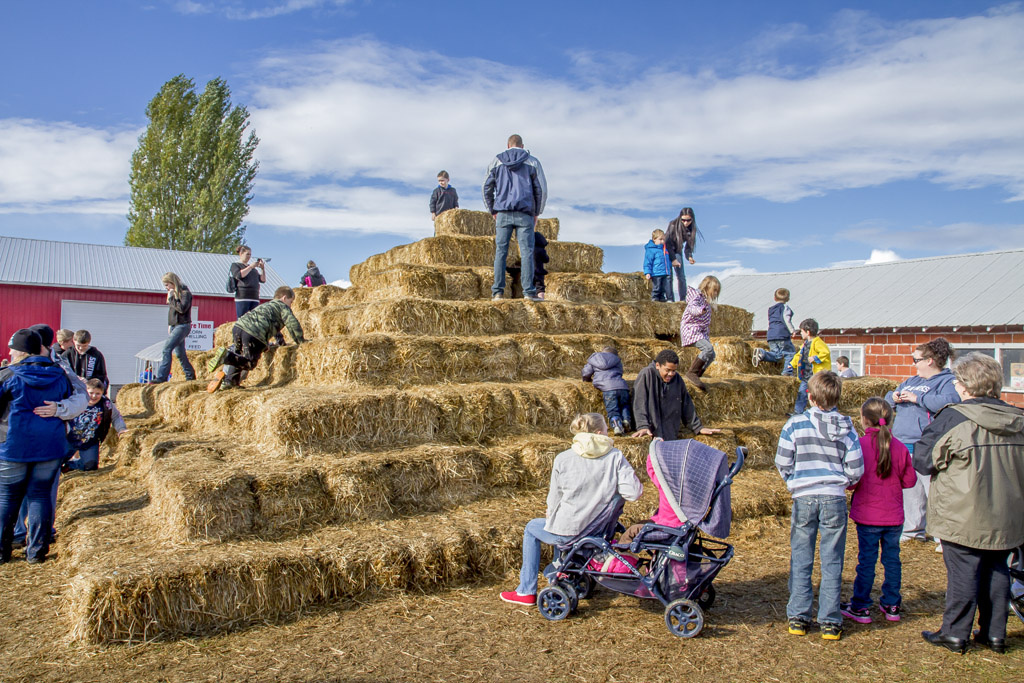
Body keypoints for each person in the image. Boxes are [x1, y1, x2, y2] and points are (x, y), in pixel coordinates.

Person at [914, 353, 1024, 655]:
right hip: (1008, 513)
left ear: (964, 386)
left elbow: (923, 459)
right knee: (998, 569)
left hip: (963, 513)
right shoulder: (1018, 420)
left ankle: (955, 633)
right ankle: (994, 633)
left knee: (963, 572)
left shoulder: (954, 418)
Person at [499, 413, 642, 605]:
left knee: (532, 528)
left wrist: (552, 518)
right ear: (600, 433)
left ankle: (526, 590)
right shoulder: (615, 456)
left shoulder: (563, 458)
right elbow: (633, 493)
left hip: (569, 533)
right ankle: (559, 570)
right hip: (598, 532)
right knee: (555, 524)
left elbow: (554, 500)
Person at [775, 371, 864, 641]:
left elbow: (782, 460)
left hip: (804, 496)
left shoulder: (795, 425)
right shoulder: (848, 428)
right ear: (837, 397)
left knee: (801, 556)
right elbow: (856, 468)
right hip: (834, 496)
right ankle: (830, 621)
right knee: (832, 558)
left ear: (810, 397)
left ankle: (798, 617)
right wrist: (842, 483)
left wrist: (794, 481)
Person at [10, 324, 88, 551]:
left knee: (40, 492)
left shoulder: (59, 366)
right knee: (24, 492)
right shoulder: (18, 367)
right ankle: (20, 534)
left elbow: (81, 396)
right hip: (25, 441)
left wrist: (60, 408)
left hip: (45, 440)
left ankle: (40, 534)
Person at [840, 397, 916, 625]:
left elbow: (851, 482)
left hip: (868, 517)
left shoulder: (859, 446)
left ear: (864, 420)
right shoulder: (900, 447)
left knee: (866, 561)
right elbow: (910, 481)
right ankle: (892, 604)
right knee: (892, 561)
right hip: (893, 516)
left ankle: (860, 605)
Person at [0, 329, 73, 564]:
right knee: (40, 496)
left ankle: (2, 551)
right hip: (49, 446)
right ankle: (36, 552)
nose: (10, 353)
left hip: (14, 446)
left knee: (7, 498)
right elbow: (68, 399)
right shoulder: (59, 375)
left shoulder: (9, 374)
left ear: (22, 352)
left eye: (13, 349)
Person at [884, 338, 959, 544]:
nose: (914, 364)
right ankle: (912, 531)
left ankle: (943, 537)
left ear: (930, 360)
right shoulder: (912, 381)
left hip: (927, 445)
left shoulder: (947, 381)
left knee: (934, 491)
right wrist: (894, 397)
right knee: (911, 489)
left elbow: (950, 402)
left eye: (916, 360)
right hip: (904, 444)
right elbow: (887, 398)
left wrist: (918, 399)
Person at [482, 134, 546, 302]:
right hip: (525, 213)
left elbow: (486, 187)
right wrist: (537, 212)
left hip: (503, 212)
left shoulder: (496, 161)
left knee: (501, 252)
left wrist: (492, 209)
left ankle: (497, 292)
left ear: (508, 145)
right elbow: (541, 189)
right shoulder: (532, 162)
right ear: (522, 146)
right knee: (527, 252)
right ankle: (528, 292)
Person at [206, 286, 306, 392]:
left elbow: (274, 328)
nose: (291, 305)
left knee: (239, 356)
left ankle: (230, 382)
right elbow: (292, 323)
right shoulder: (283, 307)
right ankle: (226, 357)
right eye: (291, 302)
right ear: (284, 298)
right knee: (249, 363)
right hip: (252, 333)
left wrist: (280, 343)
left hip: (238, 328)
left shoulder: (266, 306)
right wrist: (300, 341)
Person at [632, 349, 721, 441]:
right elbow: (639, 402)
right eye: (667, 370)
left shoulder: (677, 379)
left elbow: (686, 405)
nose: (671, 374)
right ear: (658, 365)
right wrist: (642, 426)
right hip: (651, 434)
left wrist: (698, 427)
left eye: (674, 370)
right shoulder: (646, 375)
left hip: (670, 435)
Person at [64, 379, 127, 471]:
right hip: (69, 438)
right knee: (54, 462)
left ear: (102, 393)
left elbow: (116, 417)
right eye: (91, 393)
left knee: (90, 466)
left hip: (90, 440)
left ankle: (71, 465)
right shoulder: (76, 400)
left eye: (98, 394)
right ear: (86, 391)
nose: (94, 396)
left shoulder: (106, 404)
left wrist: (121, 429)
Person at [152, 272, 197, 384]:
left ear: (173, 282)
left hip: (182, 326)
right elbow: (172, 312)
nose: (166, 288)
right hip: (174, 326)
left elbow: (182, 309)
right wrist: (170, 325)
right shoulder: (175, 294)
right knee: (180, 354)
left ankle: (162, 377)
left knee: (166, 349)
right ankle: (190, 375)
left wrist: (171, 298)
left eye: (167, 285)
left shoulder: (185, 293)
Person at [679, 275, 721, 391]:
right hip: (691, 330)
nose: (716, 293)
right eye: (714, 290)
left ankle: (697, 375)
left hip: (700, 332)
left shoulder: (706, 302)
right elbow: (692, 308)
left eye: (717, 291)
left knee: (712, 354)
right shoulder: (696, 297)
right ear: (707, 288)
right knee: (708, 349)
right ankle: (692, 372)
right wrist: (700, 310)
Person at [581, 346, 632, 436]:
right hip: (622, 387)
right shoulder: (617, 360)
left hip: (608, 388)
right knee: (625, 405)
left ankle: (617, 426)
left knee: (613, 410)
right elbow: (620, 372)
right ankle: (626, 421)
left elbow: (586, 372)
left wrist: (587, 380)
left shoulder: (595, 358)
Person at [788, 319, 830, 415]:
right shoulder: (805, 344)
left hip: (816, 376)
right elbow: (799, 355)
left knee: (819, 394)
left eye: (801, 331)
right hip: (806, 375)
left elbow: (825, 352)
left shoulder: (818, 342)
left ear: (808, 332)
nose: (800, 333)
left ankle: (825, 410)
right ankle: (798, 412)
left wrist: (815, 358)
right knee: (802, 393)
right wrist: (792, 364)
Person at [752, 288, 796, 372]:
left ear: (774, 298)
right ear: (788, 299)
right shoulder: (785, 307)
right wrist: (792, 330)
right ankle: (787, 372)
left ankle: (762, 353)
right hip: (782, 334)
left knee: (777, 355)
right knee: (790, 353)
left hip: (771, 334)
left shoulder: (771, 309)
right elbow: (786, 319)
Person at [664, 207, 700, 301]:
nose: (685, 223)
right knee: (668, 276)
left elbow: (688, 247)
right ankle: (670, 299)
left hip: (677, 250)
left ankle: (683, 300)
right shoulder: (673, 225)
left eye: (688, 220)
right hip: (667, 250)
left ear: (692, 219)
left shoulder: (691, 230)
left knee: (681, 276)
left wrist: (689, 257)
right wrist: (673, 259)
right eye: (683, 220)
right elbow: (667, 243)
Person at [229, 245, 266, 318]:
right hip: (243, 297)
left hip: (254, 297)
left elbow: (262, 280)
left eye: (250, 254)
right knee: (242, 319)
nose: (249, 256)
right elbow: (239, 275)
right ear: (241, 254)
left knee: (254, 320)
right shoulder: (235, 265)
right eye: (247, 254)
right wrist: (250, 267)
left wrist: (262, 269)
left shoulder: (253, 269)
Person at [643, 229, 672, 302]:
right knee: (657, 287)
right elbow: (647, 262)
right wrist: (647, 272)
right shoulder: (651, 250)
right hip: (656, 273)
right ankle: (655, 299)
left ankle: (662, 299)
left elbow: (667, 261)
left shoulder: (664, 250)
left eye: (663, 239)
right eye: (660, 239)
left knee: (664, 288)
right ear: (654, 239)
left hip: (665, 272)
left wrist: (670, 267)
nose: (662, 241)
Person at [533, 230, 549, 300]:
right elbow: (546, 260)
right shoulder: (541, 250)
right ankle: (541, 299)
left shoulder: (529, 249)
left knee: (531, 285)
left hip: (529, 272)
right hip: (538, 271)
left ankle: (532, 297)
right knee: (540, 286)